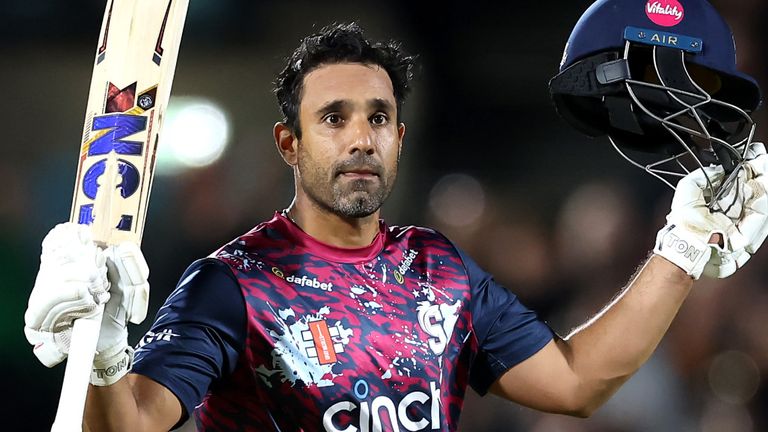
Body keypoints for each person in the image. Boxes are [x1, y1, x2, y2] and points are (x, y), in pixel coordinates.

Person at [23, 1, 768, 431]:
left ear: (400, 138)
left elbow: (576, 382)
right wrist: (105, 357)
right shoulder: (233, 285)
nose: (359, 138)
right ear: (290, 141)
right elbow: (133, 423)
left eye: (379, 117)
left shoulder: (438, 269)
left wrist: (683, 248)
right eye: (334, 117)